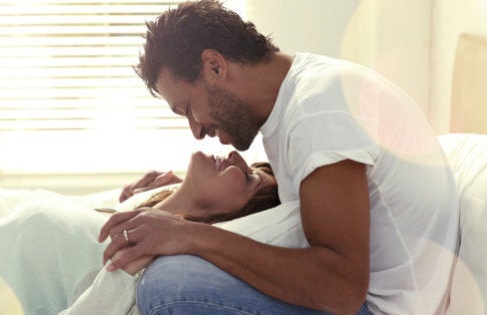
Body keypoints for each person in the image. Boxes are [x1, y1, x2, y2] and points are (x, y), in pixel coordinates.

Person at [98, 1, 460, 314]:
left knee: (166, 287)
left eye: (189, 109)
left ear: (214, 66)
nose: (196, 130)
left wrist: (191, 234)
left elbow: (342, 288)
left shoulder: (318, 110)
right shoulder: (301, 98)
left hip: (378, 308)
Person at [0, 150, 282, 315]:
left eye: (247, 179)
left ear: (232, 218)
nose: (234, 155)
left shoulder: (148, 264)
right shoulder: (136, 211)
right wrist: (128, 200)